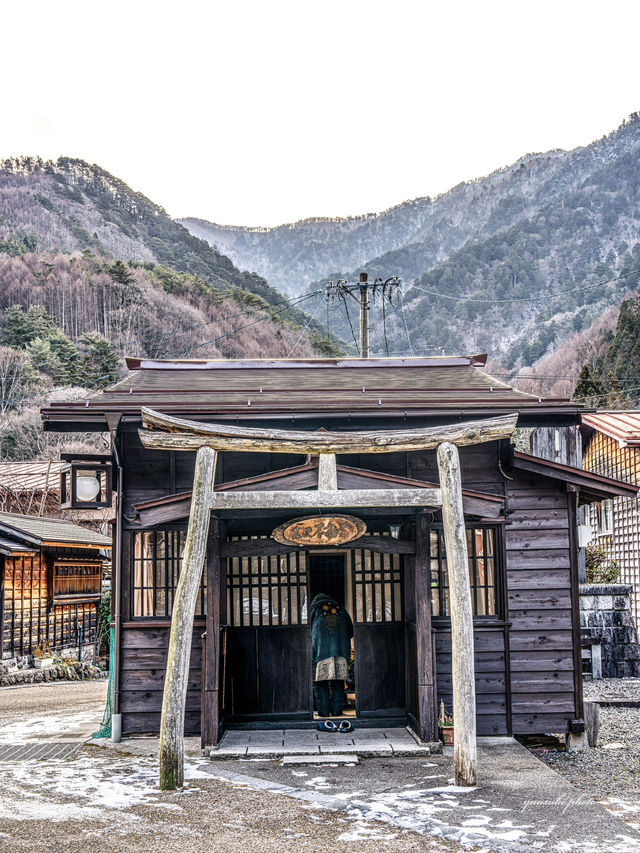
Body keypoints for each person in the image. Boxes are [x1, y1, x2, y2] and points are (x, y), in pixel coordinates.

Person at [311, 593, 354, 718]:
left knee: (320, 683)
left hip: (320, 653)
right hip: (340, 651)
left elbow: (304, 629)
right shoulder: (340, 608)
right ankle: (337, 711)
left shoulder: (313, 608)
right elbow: (350, 631)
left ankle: (323, 713)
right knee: (338, 683)